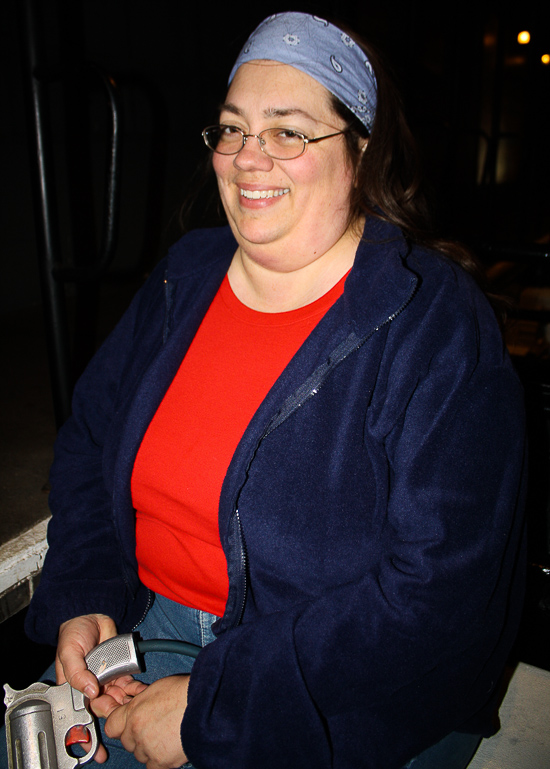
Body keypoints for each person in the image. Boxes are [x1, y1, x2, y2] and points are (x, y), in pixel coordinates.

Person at [19, 11, 526, 769]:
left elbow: (436, 598)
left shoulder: (434, 322)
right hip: (153, 624)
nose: (247, 159)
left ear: (361, 149)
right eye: (232, 129)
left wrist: (213, 702)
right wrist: (87, 589)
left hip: (351, 685)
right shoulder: (184, 275)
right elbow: (92, 438)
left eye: (288, 132)